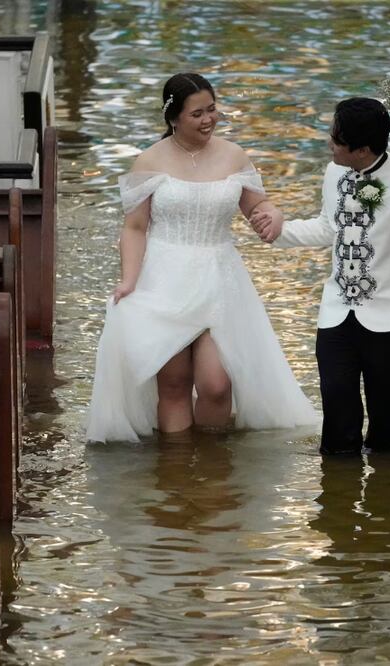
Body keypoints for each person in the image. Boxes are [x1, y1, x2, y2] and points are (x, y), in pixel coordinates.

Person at [85, 73, 319, 443]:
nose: (208, 119)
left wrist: (272, 216)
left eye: (212, 110)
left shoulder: (233, 155)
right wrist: (129, 280)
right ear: (174, 118)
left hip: (219, 275)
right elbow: (134, 228)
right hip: (164, 277)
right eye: (197, 114)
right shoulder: (149, 161)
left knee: (216, 384)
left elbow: (258, 204)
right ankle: (177, 474)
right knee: (174, 383)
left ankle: (212, 470)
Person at [252, 98, 390, 456]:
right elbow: (329, 227)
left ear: (361, 149)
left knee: (387, 430)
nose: (329, 143)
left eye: (335, 139)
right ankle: (337, 501)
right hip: (337, 314)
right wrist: (279, 232)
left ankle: (387, 501)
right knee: (337, 424)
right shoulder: (334, 172)